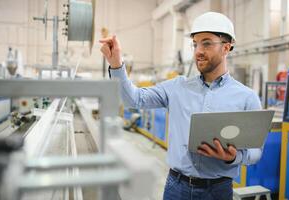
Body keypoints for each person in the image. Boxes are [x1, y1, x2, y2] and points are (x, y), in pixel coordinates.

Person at [100, 12, 262, 200]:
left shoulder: (246, 97)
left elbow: (256, 152)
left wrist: (234, 157)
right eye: (195, 44)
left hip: (218, 192)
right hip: (176, 188)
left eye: (207, 43)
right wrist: (116, 64)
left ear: (226, 48)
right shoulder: (177, 87)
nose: (198, 51)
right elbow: (134, 99)